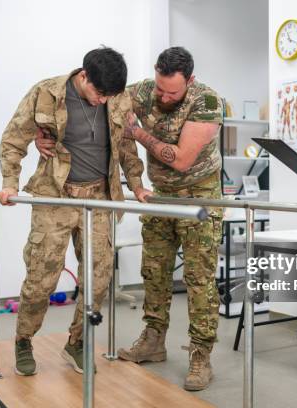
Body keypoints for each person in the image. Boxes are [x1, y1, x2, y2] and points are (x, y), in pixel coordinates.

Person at [36, 46, 223, 391]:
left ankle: (201, 355)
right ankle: (153, 340)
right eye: (161, 87)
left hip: (200, 198)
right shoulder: (142, 91)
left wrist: (137, 133)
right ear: (155, 73)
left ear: (190, 81)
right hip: (158, 198)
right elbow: (90, 96)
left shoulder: (207, 101)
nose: (164, 96)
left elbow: (181, 160)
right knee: (154, 272)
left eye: (173, 92)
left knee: (199, 281)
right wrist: (44, 133)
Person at [0, 47, 150, 377]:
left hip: (99, 198)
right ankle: (24, 340)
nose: (101, 102)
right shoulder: (46, 93)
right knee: (41, 279)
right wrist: (10, 183)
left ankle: (77, 342)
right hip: (55, 196)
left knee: (98, 279)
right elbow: (13, 139)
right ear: (84, 76)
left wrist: (137, 184)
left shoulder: (116, 98)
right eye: (98, 93)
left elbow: (125, 145)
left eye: (109, 96)